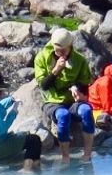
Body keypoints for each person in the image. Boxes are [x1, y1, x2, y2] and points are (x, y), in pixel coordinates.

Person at [33, 28, 94, 164]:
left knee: (86, 111)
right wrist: (55, 71)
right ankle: (65, 156)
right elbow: (43, 85)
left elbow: (84, 84)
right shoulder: (42, 58)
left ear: (70, 47)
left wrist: (77, 89)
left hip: (73, 101)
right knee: (63, 116)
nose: (60, 53)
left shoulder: (79, 60)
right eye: (57, 50)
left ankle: (87, 154)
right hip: (52, 101)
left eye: (63, 51)